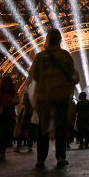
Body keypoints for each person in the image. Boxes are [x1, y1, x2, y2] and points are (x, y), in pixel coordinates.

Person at [27, 28, 80, 168]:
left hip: (44, 97)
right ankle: (61, 156)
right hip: (60, 98)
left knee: (42, 130)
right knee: (61, 128)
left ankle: (41, 159)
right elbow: (74, 77)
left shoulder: (40, 57)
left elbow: (34, 77)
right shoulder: (65, 56)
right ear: (60, 40)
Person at [0, 76, 17, 161]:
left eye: (7, 81)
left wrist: (10, 100)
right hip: (0, 115)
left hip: (7, 115)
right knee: (0, 134)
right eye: (5, 81)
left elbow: (17, 100)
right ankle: (0, 153)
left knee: (5, 134)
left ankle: (2, 152)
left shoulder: (12, 92)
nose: (6, 83)